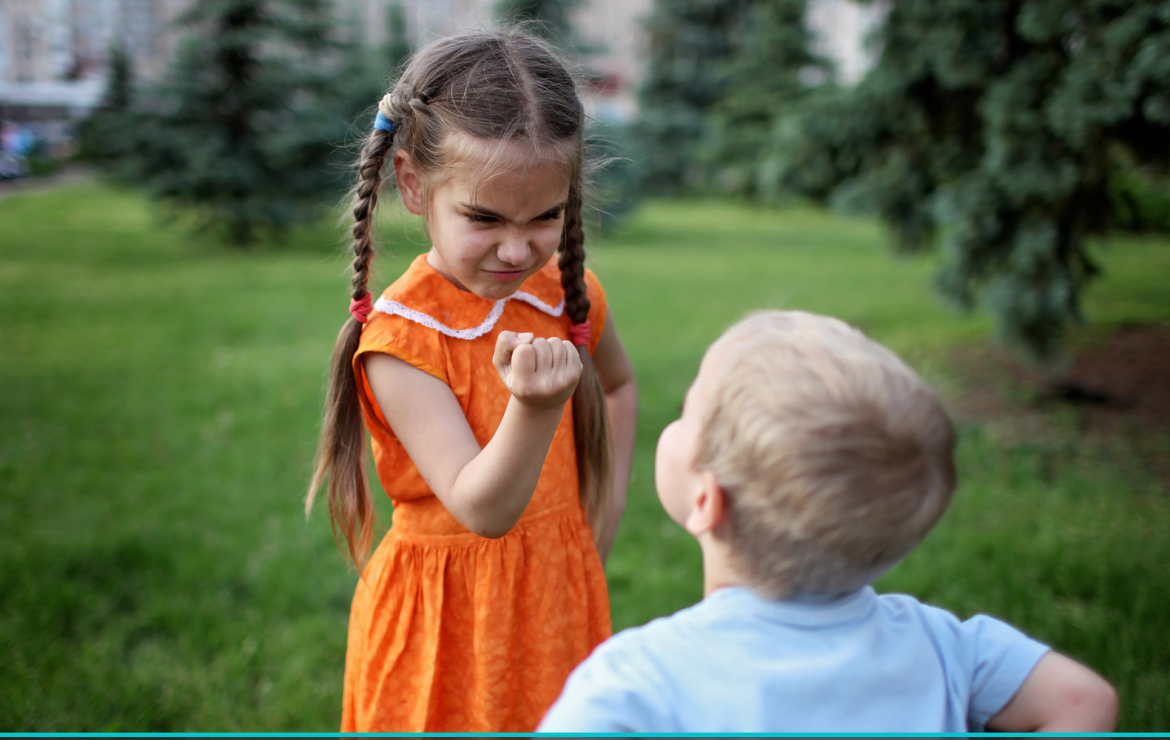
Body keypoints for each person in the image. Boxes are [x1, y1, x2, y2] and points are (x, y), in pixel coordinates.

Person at [539, 310, 1118, 733]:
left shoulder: (637, 680)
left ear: (706, 502)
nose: (677, 420)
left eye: (690, 411)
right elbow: (1083, 702)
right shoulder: (946, 648)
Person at [306, 30, 638, 733]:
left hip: (555, 598)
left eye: (545, 216)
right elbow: (480, 509)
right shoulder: (402, 341)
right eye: (484, 218)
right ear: (413, 183)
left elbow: (617, 386)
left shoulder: (567, 294)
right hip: (447, 622)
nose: (517, 249)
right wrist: (536, 407)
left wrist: (599, 516)